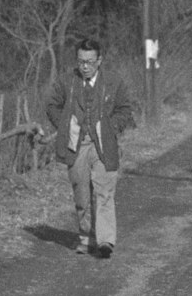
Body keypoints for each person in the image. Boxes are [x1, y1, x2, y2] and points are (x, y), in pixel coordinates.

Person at [45, 37, 136, 259]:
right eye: (81, 61)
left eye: (89, 61)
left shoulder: (114, 82)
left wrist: (112, 127)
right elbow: (51, 105)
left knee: (104, 192)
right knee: (82, 195)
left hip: (104, 146)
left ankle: (105, 241)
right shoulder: (67, 81)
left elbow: (125, 108)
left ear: (99, 60)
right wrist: (65, 125)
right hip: (77, 146)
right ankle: (85, 237)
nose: (85, 66)